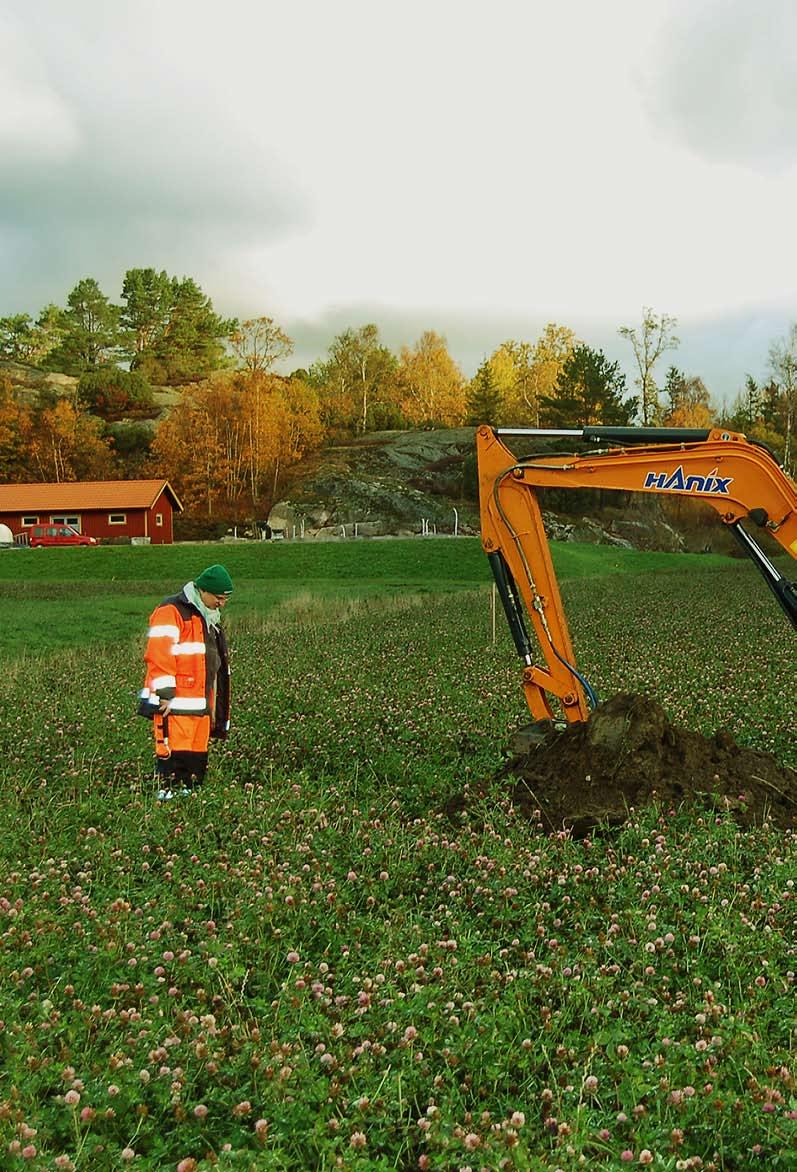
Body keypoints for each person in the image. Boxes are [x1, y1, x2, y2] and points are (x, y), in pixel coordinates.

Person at [138, 564, 233, 799]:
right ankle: (169, 811)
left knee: (195, 766)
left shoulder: (208, 617)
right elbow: (159, 654)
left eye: (226, 599)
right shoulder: (170, 611)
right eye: (219, 598)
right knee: (173, 767)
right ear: (203, 591)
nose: (222, 604)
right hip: (173, 705)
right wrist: (165, 695)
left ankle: (189, 807)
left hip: (198, 706)